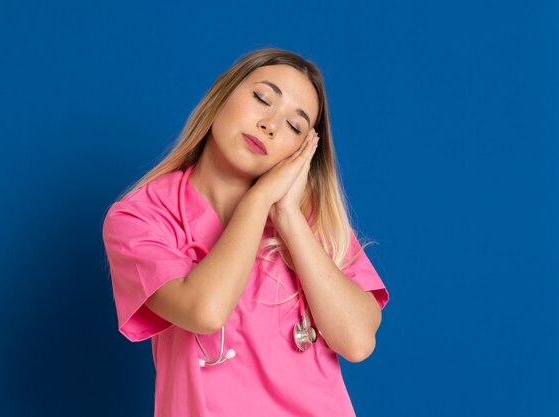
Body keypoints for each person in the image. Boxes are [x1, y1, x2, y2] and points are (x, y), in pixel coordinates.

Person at [102, 47, 390, 417]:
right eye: (261, 98)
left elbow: (357, 341)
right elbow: (205, 311)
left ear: (300, 151)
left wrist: (287, 216)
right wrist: (258, 202)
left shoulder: (315, 223)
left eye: (294, 125)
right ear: (222, 95)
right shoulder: (141, 217)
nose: (270, 124)